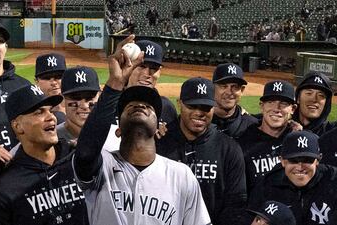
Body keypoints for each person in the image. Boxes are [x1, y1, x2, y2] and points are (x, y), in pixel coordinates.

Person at [72, 35, 212, 225]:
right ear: (118, 129)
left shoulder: (181, 176)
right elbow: (86, 153)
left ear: (159, 128)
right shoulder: (103, 165)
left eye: (149, 107)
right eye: (129, 107)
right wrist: (115, 82)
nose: (140, 106)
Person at [0, 84, 89, 225]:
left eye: (50, 111)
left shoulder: (76, 160)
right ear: (18, 126)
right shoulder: (4, 188)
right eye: (39, 112)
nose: (51, 118)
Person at [156, 77, 246, 225]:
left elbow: (236, 204)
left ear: (213, 108)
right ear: (180, 104)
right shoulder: (160, 142)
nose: (199, 113)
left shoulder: (229, 149)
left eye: (205, 107)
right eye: (192, 106)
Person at [245, 130, 337, 225]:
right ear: (282, 161)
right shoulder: (268, 184)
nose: (300, 167)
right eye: (293, 160)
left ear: (318, 160)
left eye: (307, 160)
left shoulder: (333, 182)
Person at [102, 39, 177, 151]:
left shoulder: (167, 108)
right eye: (141, 66)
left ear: (160, 71)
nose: (147, 74)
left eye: (154, 68)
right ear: (128, 66)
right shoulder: (109, 103)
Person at [238, 80, 297, 192]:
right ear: (262, 106)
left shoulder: (298, 142)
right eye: (271, 102)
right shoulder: (243, 143)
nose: (276, 108)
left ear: (293, 109)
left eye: (283, 103)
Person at [57, 66, 101, 146]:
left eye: (90, 97)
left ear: (100, 96)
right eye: (75, 97)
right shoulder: (50, 140)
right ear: (62, 100)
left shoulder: (116, 137)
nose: (84, 106)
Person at [211, 63, 258, 138]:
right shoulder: (200, 121)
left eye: (235, 87)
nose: (229, 92)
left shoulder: (252, 126)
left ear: (242, 90)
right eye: (223, 86)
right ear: (212, 88)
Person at [292, 72, 336, 136]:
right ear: (298, 98)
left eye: (321, 95)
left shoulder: (332, 133)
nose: (314, 99)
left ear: (326, 103)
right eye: (309, 93)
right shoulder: (282, 129)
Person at [34, 53, 67, 124]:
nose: (54, 82)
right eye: (47, 78)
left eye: (59, 77)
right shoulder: (30, 111)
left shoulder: (79, 108)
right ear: (36, 81)